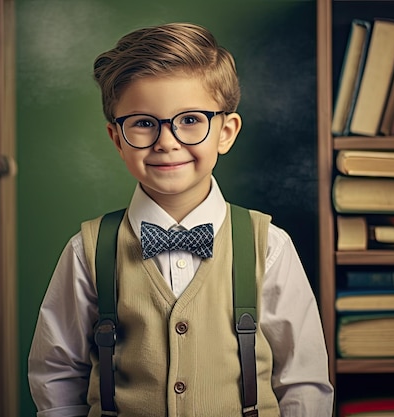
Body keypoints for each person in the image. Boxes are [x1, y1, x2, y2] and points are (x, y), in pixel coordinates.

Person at [28, 22, 334, 417]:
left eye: (190, 120)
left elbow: (302, 378)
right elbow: (56, 372)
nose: (167, 141)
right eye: (143, 123)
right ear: (117, 138)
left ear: (226, 131)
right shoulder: (87, 250)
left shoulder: (269, 246)